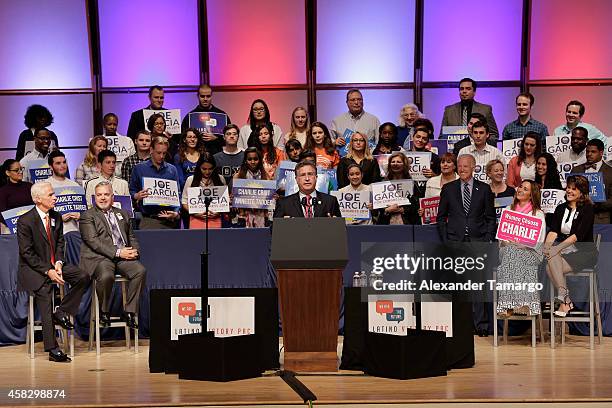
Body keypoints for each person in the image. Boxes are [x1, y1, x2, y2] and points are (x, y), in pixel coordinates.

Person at [17, 182, 90, 362]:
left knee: (83, 276)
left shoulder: (56, 216)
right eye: (50, 195)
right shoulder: (25, 221)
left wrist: (58, 262)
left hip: (53, 264)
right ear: (37, 199)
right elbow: (27, 253)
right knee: (45, 291)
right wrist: (48, 270)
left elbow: (59, 243)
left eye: (54, 194)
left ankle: (62, 311)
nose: (55, 197)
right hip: (33, 268)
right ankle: (52, 348)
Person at [436, 154, 496, 337]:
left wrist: (486, 240)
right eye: (459, 166)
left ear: (474, 167)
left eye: (465, 166)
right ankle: (459, 325)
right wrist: (447, 241)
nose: (461, 169)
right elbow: (441, 218)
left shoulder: (484, 189)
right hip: (455, 243)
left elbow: (490, 219)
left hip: (478, 243)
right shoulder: (448, 188)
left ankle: (481, 325)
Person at [79, 181, 146, 329]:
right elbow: (93, 242)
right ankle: (104, 311)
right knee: (106, 276)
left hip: (123, 257)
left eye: (106, 194)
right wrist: (118, 252)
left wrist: (134, 251)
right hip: (100, 257)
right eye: (99, 195)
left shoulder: (123, 213)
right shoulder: (87, 216)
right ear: (94, 197)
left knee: (139, 271)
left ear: (112, 196)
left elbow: (131, 237)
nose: (102, 198)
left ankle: (129, 311)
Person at [544, 175, 597, 317]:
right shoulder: (560, 208)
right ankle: (566, 301)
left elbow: (577, 236)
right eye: (568, 188)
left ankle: (565, 300)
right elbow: (554, 231)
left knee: (550, 265)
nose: (569, 191)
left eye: (574, 189)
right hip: (564, 251)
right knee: (550, 260)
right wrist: (547, 247)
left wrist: (555, 248)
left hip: (584, 253)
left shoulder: (588, 208)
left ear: (581, 192)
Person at [496, 180, 546, 317]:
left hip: (531, 252)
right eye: (520, 187)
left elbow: (539, 240)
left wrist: (523, 245)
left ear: (531, 195)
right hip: (507, 250)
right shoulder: (508, 209)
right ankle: (523, 304)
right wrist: (507, 243)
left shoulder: (537, 214)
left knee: (510, 260)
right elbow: (502, 237)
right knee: (511, 252)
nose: (520, 190)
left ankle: (506, 306)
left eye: (525, 189)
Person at [129, 137, 181, 229]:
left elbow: (177, 195)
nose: (161, 156)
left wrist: (176, 212)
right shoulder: (139, 168)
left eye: (164, 153)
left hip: (169, 221)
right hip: (148, 220)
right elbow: (131, 191)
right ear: (151, 150)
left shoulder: (172, 170)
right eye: (158, 153)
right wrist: (136, 195)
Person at [274, 160, 341, 218]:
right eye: (303, 175)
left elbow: (340, 229)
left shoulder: (331, 201)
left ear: (316, 177)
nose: (307, 179)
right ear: (297, 179)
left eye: (310, 174)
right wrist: (283, 224)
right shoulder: (283, 203)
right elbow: (273, 229)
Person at [180, 84, 231, 155]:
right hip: (195, 156)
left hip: (217, 155)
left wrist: (216, 138)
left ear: (212, 96)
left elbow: (230, 139)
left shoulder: (222, 115)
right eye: (202, 96)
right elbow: (182, 139)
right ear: (198, 96)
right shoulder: (189, 117)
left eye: (208, 96)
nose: (205, 99)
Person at [571, 139, 612, 224]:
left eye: (593, 152)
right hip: (578, 218)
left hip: (600, 219)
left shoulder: (610, 172)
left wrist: (596, 203)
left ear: (601, 153)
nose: (589, 154)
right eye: (587, 151)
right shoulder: (576, 170)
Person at [181, 154, 227, 229]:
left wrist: (218, 212)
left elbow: (225, 201)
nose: (207, 172)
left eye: (210, 169)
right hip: (196, 219)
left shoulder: (220, 179)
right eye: (204, 169)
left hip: (216, 220)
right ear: (199, 167)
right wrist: (195, 213)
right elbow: (184, 202)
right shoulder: (191, 180)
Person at [375, 152, 419, 225]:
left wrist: (403, 210)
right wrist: (387, 210)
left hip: (407, 223)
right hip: (385, 224)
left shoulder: (412, 184)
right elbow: (378, 207)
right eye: (393, 162)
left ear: (404, 165)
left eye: (399, 162)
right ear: (389, 165)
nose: (395, 164)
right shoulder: (382, 183)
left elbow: (416, 205)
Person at [232, 147, 271, 227]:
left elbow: (269, 198)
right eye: (249, 159)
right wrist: (233, 197)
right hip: (244, 215)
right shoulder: (238, 176)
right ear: (245, 161)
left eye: (255, 159)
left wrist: (273, 197)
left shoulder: (266, 176)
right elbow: (234, 197)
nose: (253, 162)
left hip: (261, 215)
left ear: (259, 160)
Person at [46, 151, 81, 234]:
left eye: (64, 162)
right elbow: (42, 214)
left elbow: (82, 210)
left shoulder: (75, 185)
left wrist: (79, 216)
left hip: (75, 231)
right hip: (55, 233)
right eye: (58, 163)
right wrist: (58, 218)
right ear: (51, 167)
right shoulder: (46, 185)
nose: (62, 166)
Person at [0, 159, 33, 234]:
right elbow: (2, 213)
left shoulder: (29, 186)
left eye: (21, 169)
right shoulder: (2, 191)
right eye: (16, 170)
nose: (20, 172)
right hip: (11, 228)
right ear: (8, 173)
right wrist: (14, 224)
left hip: (30, 226)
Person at [103, 112, 135, 177]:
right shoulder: (98, 142)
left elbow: (132, 158)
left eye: (114, 124)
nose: (112, 127)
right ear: (104, 125)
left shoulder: (127, 141)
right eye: (109, 124)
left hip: (124, 175)